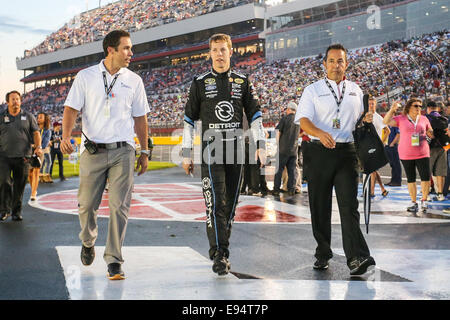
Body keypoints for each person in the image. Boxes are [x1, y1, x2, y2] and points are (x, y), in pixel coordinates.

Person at [60, 30, 150, 280]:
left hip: (123, 151)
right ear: (110, 50)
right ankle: (88, 241)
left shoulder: (134, 80)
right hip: (93, 150)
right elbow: (71, 109)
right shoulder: (85, 76)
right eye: (126, 48)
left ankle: (114, 259)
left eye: (131, 48)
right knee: (87, 205)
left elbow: (141, 118)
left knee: (119, 206)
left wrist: (144, 150)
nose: (131, 53)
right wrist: (66, 136)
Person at [181, 33, 266, 276]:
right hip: (211, 150)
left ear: (231, 52)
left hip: (236, 150)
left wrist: (261, 145)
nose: (219, 54)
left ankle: (221, 245)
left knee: (229, 204)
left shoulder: (243, 81)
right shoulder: (199, 82)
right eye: (215, 50)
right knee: (215, 202)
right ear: (210, 53)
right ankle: (220, 253)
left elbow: (256, 115)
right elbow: (188, 120)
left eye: (223, 49)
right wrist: (186, 153)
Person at [295, 43, 376, 276]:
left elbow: (361, 121)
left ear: (346, 64)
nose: (336, 65)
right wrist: (320, 133)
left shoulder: (356, 90)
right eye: (331, 61)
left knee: (349, 206)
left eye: (340, 61)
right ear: (324, 65)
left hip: (347, 153)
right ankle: (323, 252)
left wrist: (368, 119)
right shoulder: (312, 90)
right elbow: (303, 121)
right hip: (319, 152)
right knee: (319, 207)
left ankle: (356, 257)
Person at [383, 98, 433, 214]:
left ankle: (424, 200)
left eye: (420, 106)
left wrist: (431, 133)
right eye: (416, 106)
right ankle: (413, 202)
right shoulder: (401, 119)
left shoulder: (424, 119)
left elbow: (429, 130)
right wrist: (392, 109)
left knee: (425, 178)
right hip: (406, 154)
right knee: (411, 179)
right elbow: (385, 121)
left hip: (423, 152)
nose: (419, 108)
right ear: (409, 107)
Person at [0, 91, 42, 221]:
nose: (15, 101)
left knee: (20, 184)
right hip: (3, 156)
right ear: (7, 102)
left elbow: (36, 133)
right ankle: (4, 210)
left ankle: (16, 212)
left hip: (24, 157)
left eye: (17, 99)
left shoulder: (28, 116)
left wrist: (38, 147)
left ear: (20, 101)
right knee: (4, 182)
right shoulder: (1, 117)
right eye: (13, 99)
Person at [273, 101, 300, 196]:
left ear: (289, 109)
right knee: (292, 170)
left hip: (283, 148)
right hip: (293, 149)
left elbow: (278, 131)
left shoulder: (285, 119)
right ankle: (291, 189)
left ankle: (276, 189)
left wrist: (277, 143)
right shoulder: (298, 121)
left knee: (279, 170)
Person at [425, 101, 448, 201]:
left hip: (430, 148)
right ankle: (440, 194)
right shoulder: (444, 119)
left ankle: (427, 193)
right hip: (443, 148)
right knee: (440, 172)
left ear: (429, 108)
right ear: (437, 108)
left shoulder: (426, 118)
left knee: (427, 172)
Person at [368, 96, 389, 198]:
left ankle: (371, 192)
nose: (371, 105)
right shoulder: (367, 116)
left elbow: (387, 130)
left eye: (372, 103)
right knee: (374, 170)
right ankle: (382, 189)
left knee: (372, 169)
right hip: (369, 146)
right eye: (369, 104)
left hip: (375, 146)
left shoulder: (377, 117)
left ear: (376, 104)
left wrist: (381, 143)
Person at [385, 118, 402, 186]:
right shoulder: (388, 123)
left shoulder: (395, 123)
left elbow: (398, 134)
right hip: (388, 145)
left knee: (396, 164)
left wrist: (393, 143)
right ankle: (393, 180)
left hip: (393, 146)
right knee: (392, 164)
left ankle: (397, 181)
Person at [38, 112, 53, 183]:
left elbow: (45, 143)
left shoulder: (47, 131)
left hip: (43, 149)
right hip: (39, 149)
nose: (38, 119)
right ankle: (43, 177)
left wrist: (38, 146)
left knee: (46, 162)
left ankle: (45, 177)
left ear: (45, 119)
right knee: (44, 163)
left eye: (40, 117)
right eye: (38, 117)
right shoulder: (35, 129)